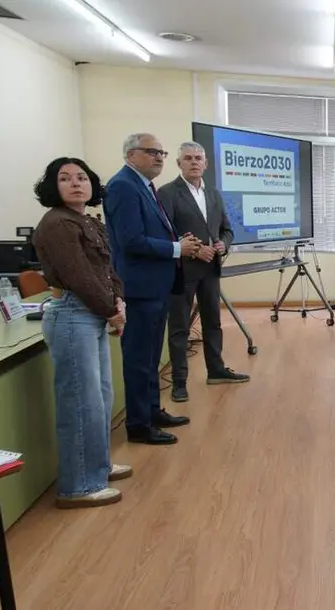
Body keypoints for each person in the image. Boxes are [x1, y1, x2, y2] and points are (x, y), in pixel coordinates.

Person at [32, 157, 132, 508]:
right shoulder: (57, 223)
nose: (76, 183)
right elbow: (79, 277)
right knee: (79, 402)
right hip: (73, 314)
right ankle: (77, 486)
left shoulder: (85, 220)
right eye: (65, 178)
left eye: (81, 177)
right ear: (52, 186)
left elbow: (107, 269)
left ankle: (98, 469)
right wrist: (111, 310)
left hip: (91, 313)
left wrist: (117, 300)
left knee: (100, 399)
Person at [105, 132, 198, 446]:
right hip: (139, 289)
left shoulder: (143, 185)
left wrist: (177, 240)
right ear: (130, 155)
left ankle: (151, 411)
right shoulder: (122, 187)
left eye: (161, 152)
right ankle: (138, 425)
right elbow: (131, 242)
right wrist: (176, 248)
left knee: (151, 358)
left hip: (155, 287)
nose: (159, 157)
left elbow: (150, 231)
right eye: (151, 152)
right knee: (138, 360)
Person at [156, 141, 248, 405]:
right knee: (179, 327)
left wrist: (223, 244)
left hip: (211, 269)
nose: (194, 162)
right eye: (188, 158)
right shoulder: (167, 193)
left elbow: (227, 230)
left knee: (213, 323)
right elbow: (167, 233)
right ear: (179, 164)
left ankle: (216, 371)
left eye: (198, 158)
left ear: (206, 163)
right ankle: (179, 382)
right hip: (182, 271)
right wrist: (195, 250)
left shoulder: (214, 194)